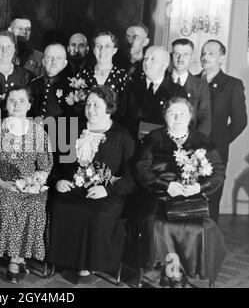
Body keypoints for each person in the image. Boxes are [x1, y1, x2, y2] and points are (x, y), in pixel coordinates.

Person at [134, 97, 226, 287]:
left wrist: (199, 187)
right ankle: (172, 274)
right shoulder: (152, 139)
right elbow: (141, 169)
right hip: (159, 197)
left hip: (191, 200)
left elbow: (218, 173)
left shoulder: (203, 141)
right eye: (172, 113)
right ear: (165, 116)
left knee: (206, 228)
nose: (177, 118)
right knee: (159, 226)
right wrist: (166, 186)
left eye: (182, 113)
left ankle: (187, 270)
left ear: (190, 116)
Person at [47, 85, 135, 280]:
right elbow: (55, 163)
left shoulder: (122, 135)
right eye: (88, 104)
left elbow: (131, 177)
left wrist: (108, 189)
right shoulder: (72, 129)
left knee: (97, 214)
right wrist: (58, 180)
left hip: (107, 194)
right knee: (59, 205)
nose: (91, 109)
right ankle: (64, 260)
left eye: (97, 105)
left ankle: (88, 264)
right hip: (73, 189)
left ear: (109, 107)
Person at [0, 85, 53, 284]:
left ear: (29, 105)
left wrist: (35, 182)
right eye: (12, 100)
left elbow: (45, 165)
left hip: (29, 185)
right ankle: (14, 259)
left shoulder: (38, 131)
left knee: (36, 205)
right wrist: (2, 182)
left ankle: (19, 256)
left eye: (21, 100)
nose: (17, 104)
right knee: (8, 203)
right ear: (6, 104)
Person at [198, 40, 247, 224]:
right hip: (186, 151)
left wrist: (219, 141)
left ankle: (208, 249)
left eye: (211, 53)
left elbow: (240, 121)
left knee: (210, 204)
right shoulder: (191, 80)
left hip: (214, 153)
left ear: (222, 57)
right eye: (203, 52)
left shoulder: (232, 85)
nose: (205, 56)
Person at [125, 46, 187, 140]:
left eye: (153, 59)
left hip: (163, 145)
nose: (147, 62)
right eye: (146, 58)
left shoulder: (177, 91)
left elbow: (183, 123)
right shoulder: (131, 87)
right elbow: (123, 118)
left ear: (164, 64)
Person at [80, 31, 131, 120]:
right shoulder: (83, 74)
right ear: (94, 49)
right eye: (98, 46)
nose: (102, 50)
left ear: (114, 50)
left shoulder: (123, 76)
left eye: (107, 46)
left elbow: (126, 110)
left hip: (114, 127)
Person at [171, 38, 211, 136]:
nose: (180, 58)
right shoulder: (162, 80)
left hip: (189, 141)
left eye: (185, 54)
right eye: (177, 54)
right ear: (171, 56)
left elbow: (204, 119)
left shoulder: (200, 85)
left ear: (191, 58)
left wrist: (194, 143)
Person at [29, 43, 71, 119]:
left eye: (58, 58)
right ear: (43, 62)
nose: (53, 61)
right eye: (49, 57)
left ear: (65, 63)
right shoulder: (33, 84)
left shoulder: (69, 86)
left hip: (60, 129)